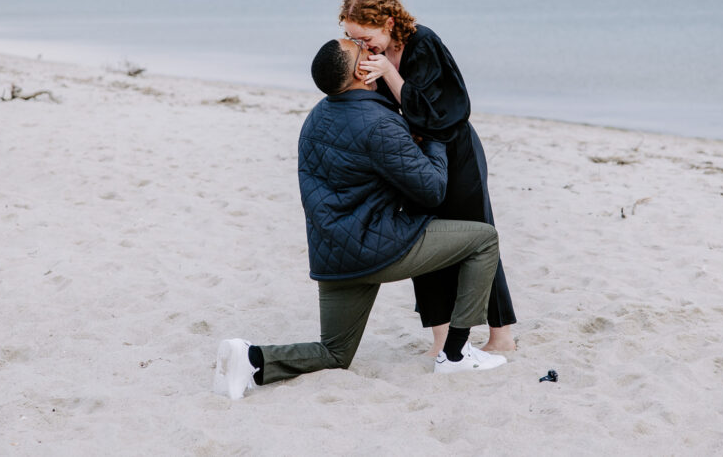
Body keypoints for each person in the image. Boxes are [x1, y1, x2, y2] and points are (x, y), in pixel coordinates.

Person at [213, 38, 506, 400]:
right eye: (362, 53)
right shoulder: (379, 123)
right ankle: (457, 352)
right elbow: (433, 191)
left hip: (333, 256)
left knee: (335, 353)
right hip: (377, 249)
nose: (371, 53)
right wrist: (431, 137)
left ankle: (251, 357)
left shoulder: (318, 114)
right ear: (359, 72)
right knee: (483, 239)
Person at [338, 0, 517, 355]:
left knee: (479, 235)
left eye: (366, 37)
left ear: (388, 22)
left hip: (456, 151)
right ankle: (441, 341)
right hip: (414, 160)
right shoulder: (375, 53)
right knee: (425, 239)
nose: (361, 45)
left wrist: (388, 71)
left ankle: (502, 336)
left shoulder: (423, 44)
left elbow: (437, 114)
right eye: (351, 37)